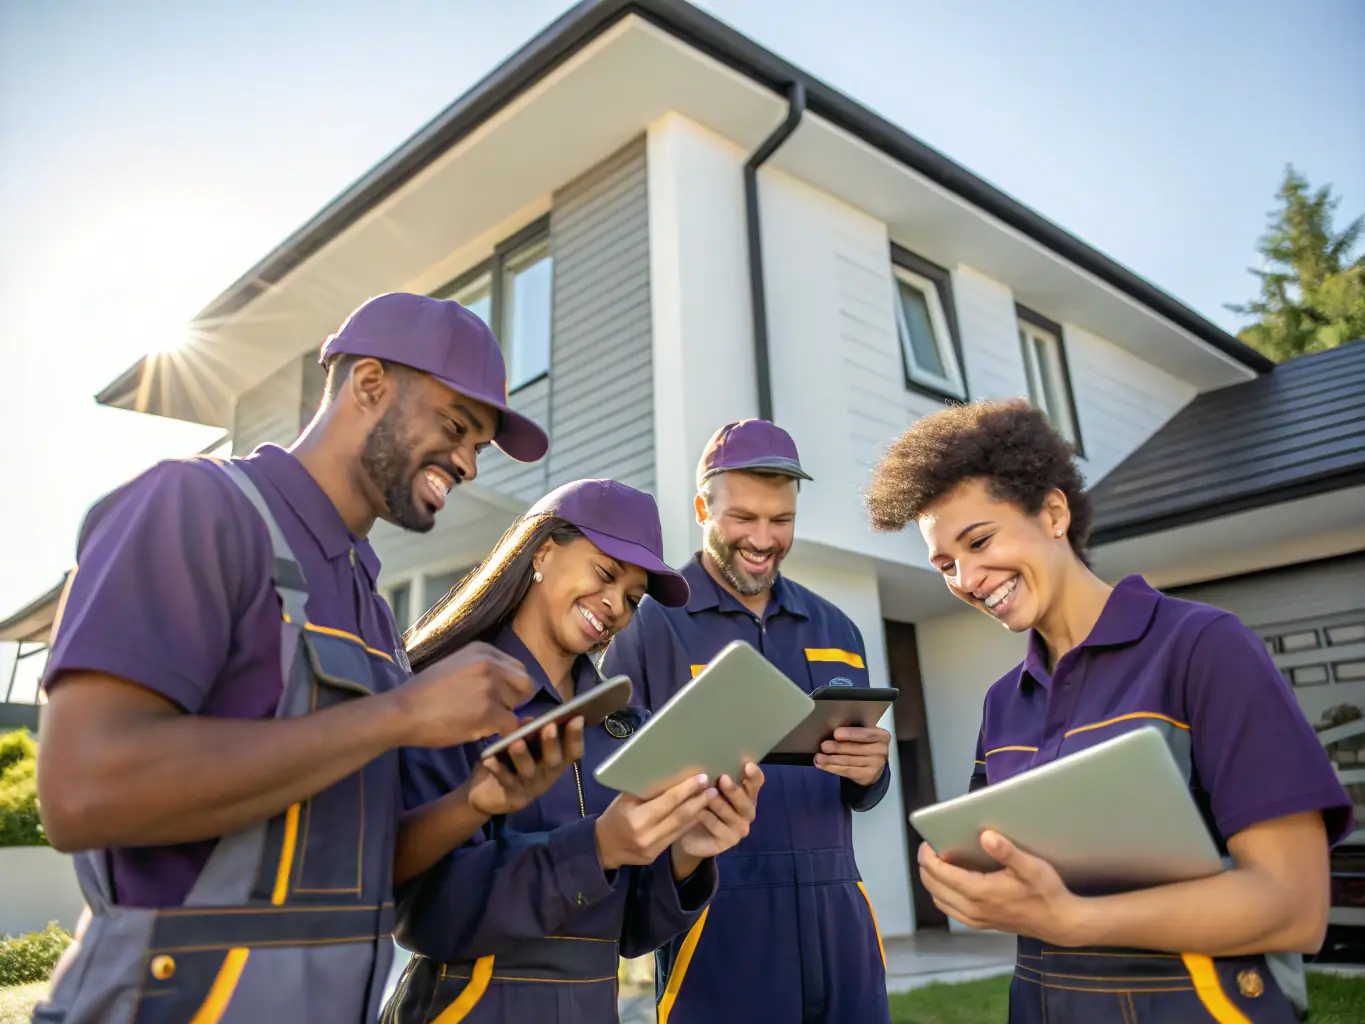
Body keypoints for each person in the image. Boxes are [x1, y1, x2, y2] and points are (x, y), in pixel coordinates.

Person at [32, 292, 558, 1024]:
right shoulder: (194, 506)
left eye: (479, 444)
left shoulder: (370, 606)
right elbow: (81, 792)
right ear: (368, 384)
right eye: (457, 426)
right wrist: (398, 715)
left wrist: (475, 800)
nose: (469, 462)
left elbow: (360, 873)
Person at [863, 397, 1354, 1023]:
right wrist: (963, 883)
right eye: (944, 564)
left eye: (979, 540)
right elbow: (1001, 877)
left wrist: (1077, 920)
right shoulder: (1002, 704)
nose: (967, 578)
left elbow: (1295, 906)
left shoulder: (1203, 648)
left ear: (1054, 512)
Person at [383, 477, 763, 1024]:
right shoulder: (453, 694)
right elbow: (428, 915)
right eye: (605, 574)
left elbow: (629, 933)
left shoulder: (624, 728)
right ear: (543, 551)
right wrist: (598, 847)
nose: (614, 606)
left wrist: (689, 854)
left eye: (632, 599)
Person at [601, 420, 894, 1024]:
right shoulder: (651, 624)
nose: (763, 539)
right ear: (704, 506)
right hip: (716, 917)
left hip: (839, 907)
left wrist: (872, 773)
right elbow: (612, 782)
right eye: (743, 518)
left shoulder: (836, 628)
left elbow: (859, 789)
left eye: (780, 521)